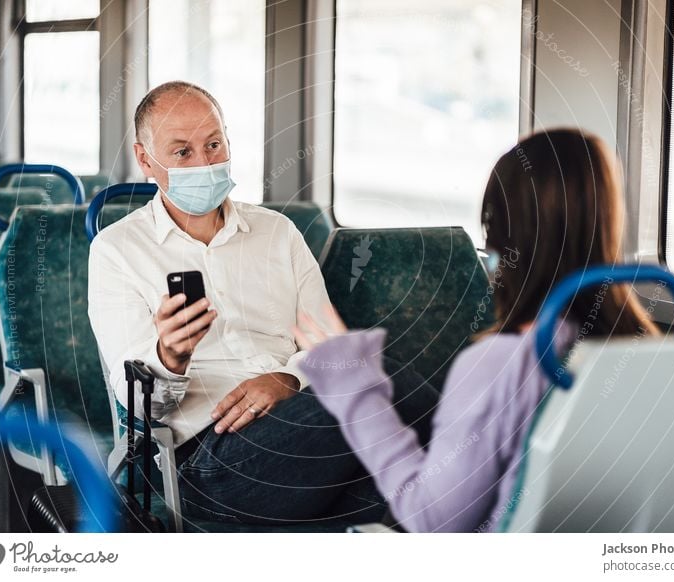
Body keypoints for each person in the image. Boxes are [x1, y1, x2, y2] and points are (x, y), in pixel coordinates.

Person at [88, 80, 438, 525]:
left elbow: (329, 346)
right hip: (207, 458)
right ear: (145, 160)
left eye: (214, 144)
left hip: (303, 429)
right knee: (388, 385)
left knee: (403, 466)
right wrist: (170, 356)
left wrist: (288, 379)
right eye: (182, 153)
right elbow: (138, 408)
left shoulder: (277, 233)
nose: (205, 162)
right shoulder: (116, 250)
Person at [293, 128, 659, 532]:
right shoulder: (652, 353)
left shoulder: (502, 364)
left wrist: (354, 386)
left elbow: (431, 520)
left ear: (501, 233)